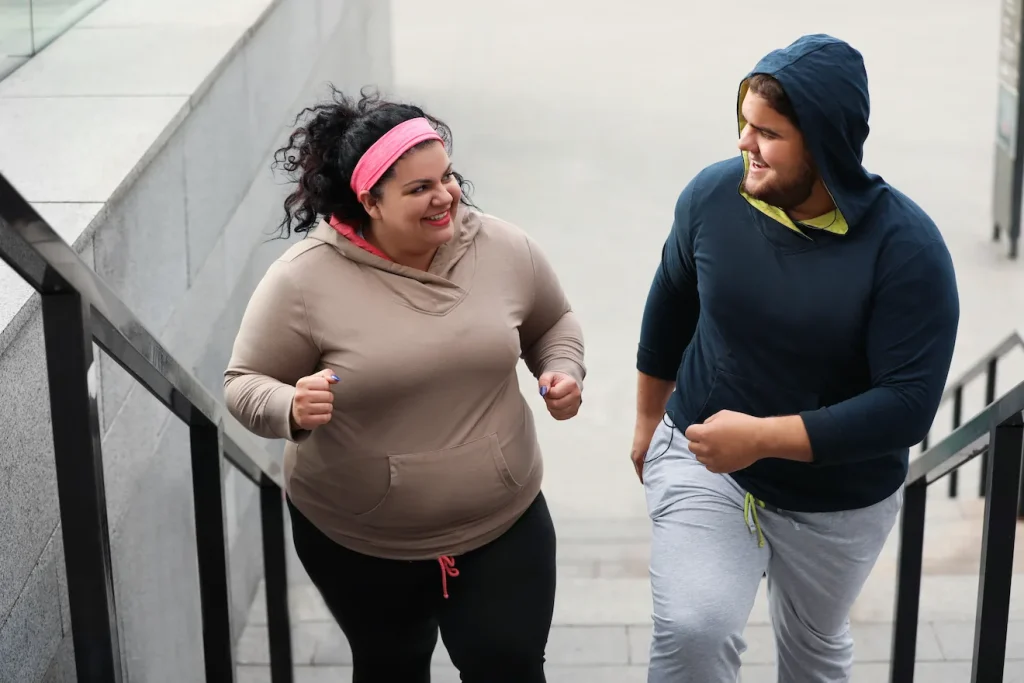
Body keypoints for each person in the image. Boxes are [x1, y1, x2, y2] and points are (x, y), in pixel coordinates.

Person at [224, 87, 585, 683]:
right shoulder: (303, 281)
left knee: (511, 669)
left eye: (447, 177)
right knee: (390, 670)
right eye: (420, 189)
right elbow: (244, 384)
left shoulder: (501, 246)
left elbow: (554, 322)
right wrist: (291, 403)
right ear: (370, 201)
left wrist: (561, 370)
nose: (445, 197)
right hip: (360, 543)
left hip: (503, 524)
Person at [630, 34, 959, 682]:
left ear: (824, 142)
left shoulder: (907, 251)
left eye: (768, 132)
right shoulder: (713, 197)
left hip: (838, 496)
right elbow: (671, 293)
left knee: (813, 646)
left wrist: (762, 437)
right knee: (694, 627)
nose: (744, 144)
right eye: (743, 124)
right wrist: (648, 417)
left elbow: (906, 405)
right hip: (708, 460)